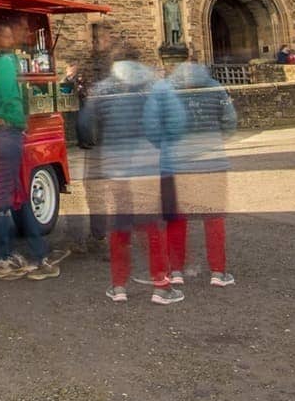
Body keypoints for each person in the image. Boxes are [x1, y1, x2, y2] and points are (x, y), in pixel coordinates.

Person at [79, 41, 179, 304]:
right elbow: (175, 122)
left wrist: (97, 143)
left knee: (120, 226)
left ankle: (119, 287)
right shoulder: (156, 86)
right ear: (139, 60)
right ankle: (161, 286)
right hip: (146, 165)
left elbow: (85, 126)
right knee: (152, 226)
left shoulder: (101, 89)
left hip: (117, 166)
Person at [0, 18, 58, 281]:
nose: (12, 37)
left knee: (10, 194)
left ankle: (18, 255)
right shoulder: (5, 62)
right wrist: (18, 123)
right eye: (9, 33)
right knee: (12, 196)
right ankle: (29, 256)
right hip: (7, 132)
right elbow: (12, 98)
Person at [160, 61, 238, 288]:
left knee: (176, 218)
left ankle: (175, 271)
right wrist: (216, 140)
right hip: (211, 162)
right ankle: (218, 272)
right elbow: (230, 121)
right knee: (213, 217)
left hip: (177, 163)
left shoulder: (166, 90)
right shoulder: (214, 87)